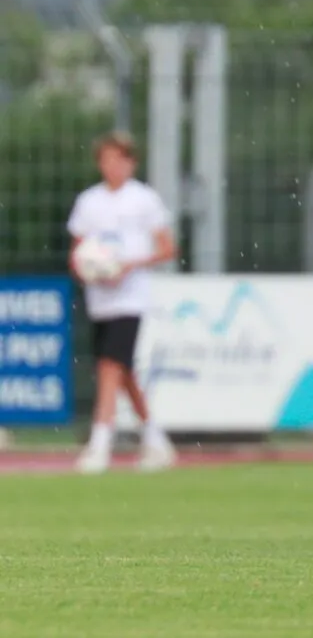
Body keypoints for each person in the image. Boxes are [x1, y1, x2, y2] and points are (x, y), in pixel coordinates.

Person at [67, 132, 178, 475]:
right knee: (123, 372)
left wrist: (128, 264)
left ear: (132, 163)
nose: (113, 166)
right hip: (100, 298)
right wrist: (87, 270)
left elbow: (167, 248)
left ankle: (100, 445)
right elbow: (78, 249)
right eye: (107, 160)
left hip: (130, 298)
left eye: (120, 159)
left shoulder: (143, 199)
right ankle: (157, 441)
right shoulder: (89, 201)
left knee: (108, 368)